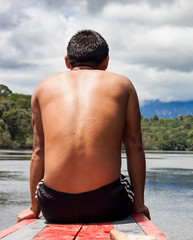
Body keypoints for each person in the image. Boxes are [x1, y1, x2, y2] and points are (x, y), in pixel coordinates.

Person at [17, 29, 150, 223]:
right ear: (106, 61)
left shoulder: (42, 87)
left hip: (55, 207)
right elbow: (134, 146)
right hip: (106, 204)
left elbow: (38, 150)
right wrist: (138, 205)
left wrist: (33, 207)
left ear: (67, 61)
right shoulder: (123, 84)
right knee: (123, 183)